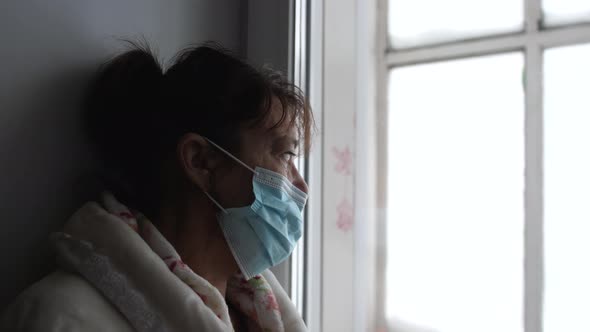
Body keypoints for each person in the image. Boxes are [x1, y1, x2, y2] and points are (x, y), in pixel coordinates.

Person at [0, 42, 314, 332]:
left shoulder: (257, 314)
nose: (302, 186)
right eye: (285, 154)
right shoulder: (61, 318)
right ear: (200, 160)